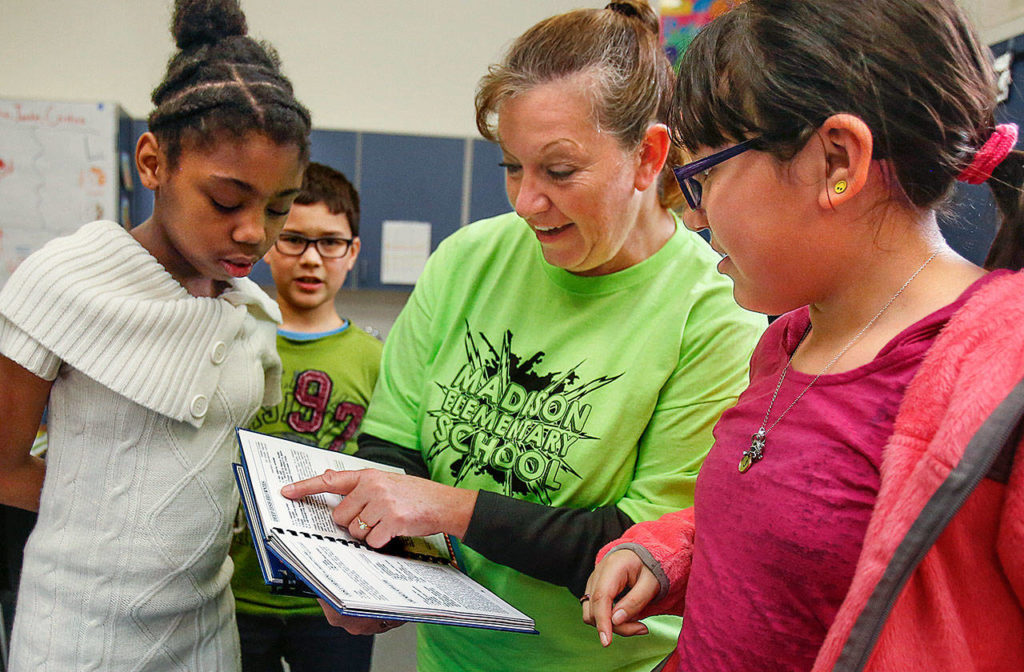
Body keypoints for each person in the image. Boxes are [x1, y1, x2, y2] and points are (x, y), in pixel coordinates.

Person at [281, 3, 765, 671]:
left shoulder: (714, 315)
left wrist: (449, 509)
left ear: (649, 156)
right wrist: (371, 568)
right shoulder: (468, 258)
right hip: (448, 656)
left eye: (559, 171)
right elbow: (395, 449)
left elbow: (636, 543)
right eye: (513, 166)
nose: (526, 201)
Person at [582, 1, 1024, 670]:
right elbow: (793, 527)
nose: (694, 216)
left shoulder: (996, 394)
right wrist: (669, 553)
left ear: (836, 159)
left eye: (704, 175)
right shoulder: (787, 342)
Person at [0, 0, 311, 669]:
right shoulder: (61, 282)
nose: (256, 232)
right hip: (82, 635)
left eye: (278, 207)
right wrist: (109, 531)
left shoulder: (253, 315)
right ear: (152, 161)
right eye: (227, 201)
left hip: (207, 631)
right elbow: (1, 465)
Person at [231, 162, 382, 672]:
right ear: (269, 243)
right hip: (236, 590)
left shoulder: (377, 361)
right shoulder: (232, 342)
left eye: (330, 242)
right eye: (293, 239)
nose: (311, 259)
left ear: (353, 251)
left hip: (336, 597)